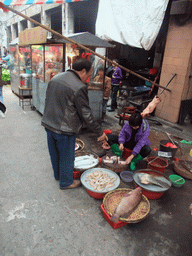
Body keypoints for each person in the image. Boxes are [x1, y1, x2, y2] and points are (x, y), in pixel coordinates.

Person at [41, 59, 108, 189]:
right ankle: (66, 182)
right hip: (64, 128)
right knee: (66, 157)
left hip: (49, 123)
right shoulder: (79, 86)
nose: (87, 79)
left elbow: (48, 99)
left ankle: (58, 175)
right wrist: (99, 132)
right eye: (88, 75)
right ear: (82, 71)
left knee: (54, 153)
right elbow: (86, 114)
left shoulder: (57, 77)